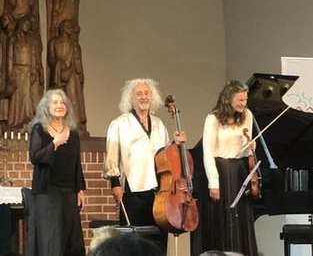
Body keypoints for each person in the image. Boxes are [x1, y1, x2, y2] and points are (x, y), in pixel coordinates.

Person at [103, 78, 186, 251]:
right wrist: (115, 184)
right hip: (133, 191)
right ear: (130, 98)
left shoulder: (158, 124)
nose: (143, 97)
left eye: (147, 93)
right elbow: (112, 156)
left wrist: (175, 143)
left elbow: (165, 154)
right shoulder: (119, 124)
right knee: (132, 243)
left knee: (157, 241)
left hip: (159, 192)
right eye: (139, 94)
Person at [192, 80, 258, 256]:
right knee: (220, 221)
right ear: (229, 98)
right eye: (240, 100)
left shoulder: (247, 115)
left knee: (239, 220)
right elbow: (207, 152)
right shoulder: (213, 119)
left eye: (245, 100)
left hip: (238, 172)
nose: (243, 104)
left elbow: (244, 150)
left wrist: (250, 147)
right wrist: (213, 182)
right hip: (219, 172)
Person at [28, 89, 86, 256]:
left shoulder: (73, 133)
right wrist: (55, 143)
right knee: (52, 238)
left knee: (70, 238)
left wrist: (79, 189)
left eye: (62, 103)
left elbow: (76, 163)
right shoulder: (40, 129)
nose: (59, 106)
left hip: (68, 191)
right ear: (46, 107)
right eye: (55, 103)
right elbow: (35, 156)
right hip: (48, 192)